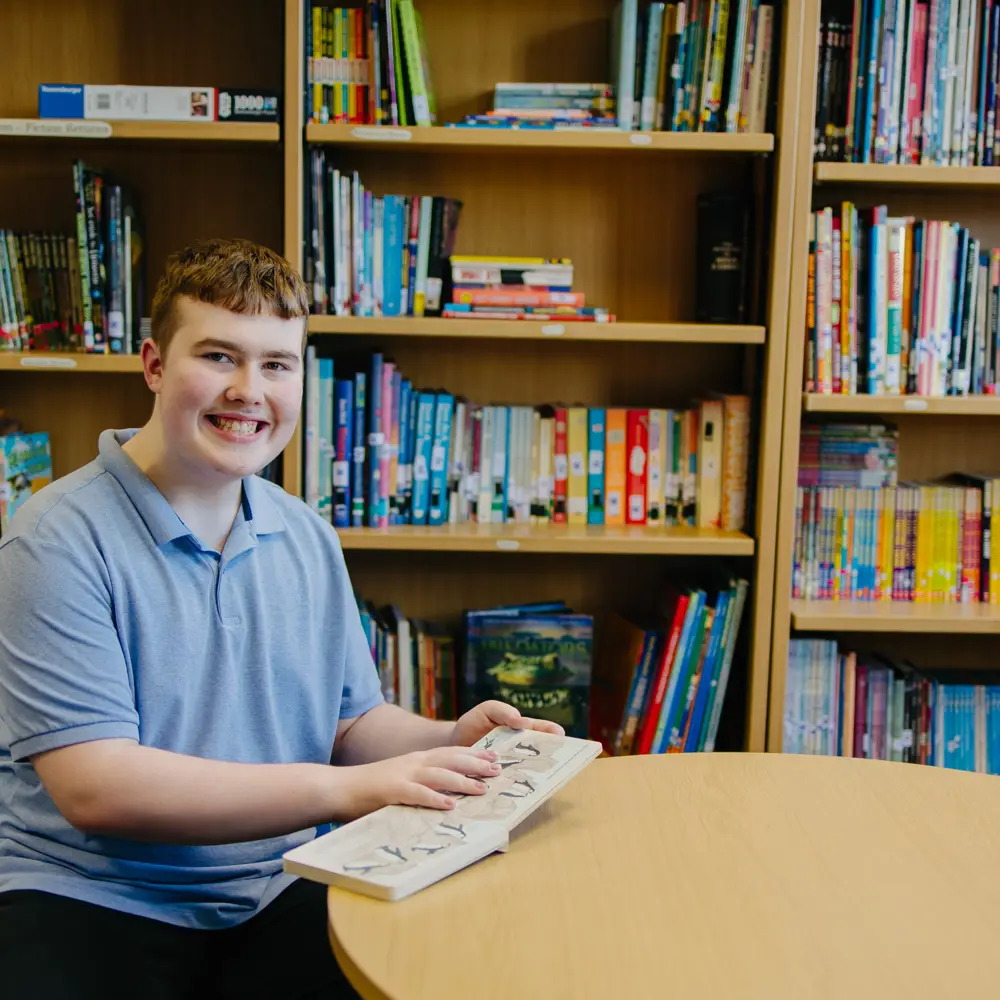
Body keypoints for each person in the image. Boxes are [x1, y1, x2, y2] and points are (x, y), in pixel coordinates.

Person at [0, 238, 563, 999]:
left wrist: (447, 741)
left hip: (280, 882)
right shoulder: (51, 539)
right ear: (154, 365)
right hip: (89, 893)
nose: (248, 390)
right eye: (218, 357)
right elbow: (98, 789)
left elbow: (347, 723)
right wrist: (349, 793)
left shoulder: (305, 535)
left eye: (276, 364)